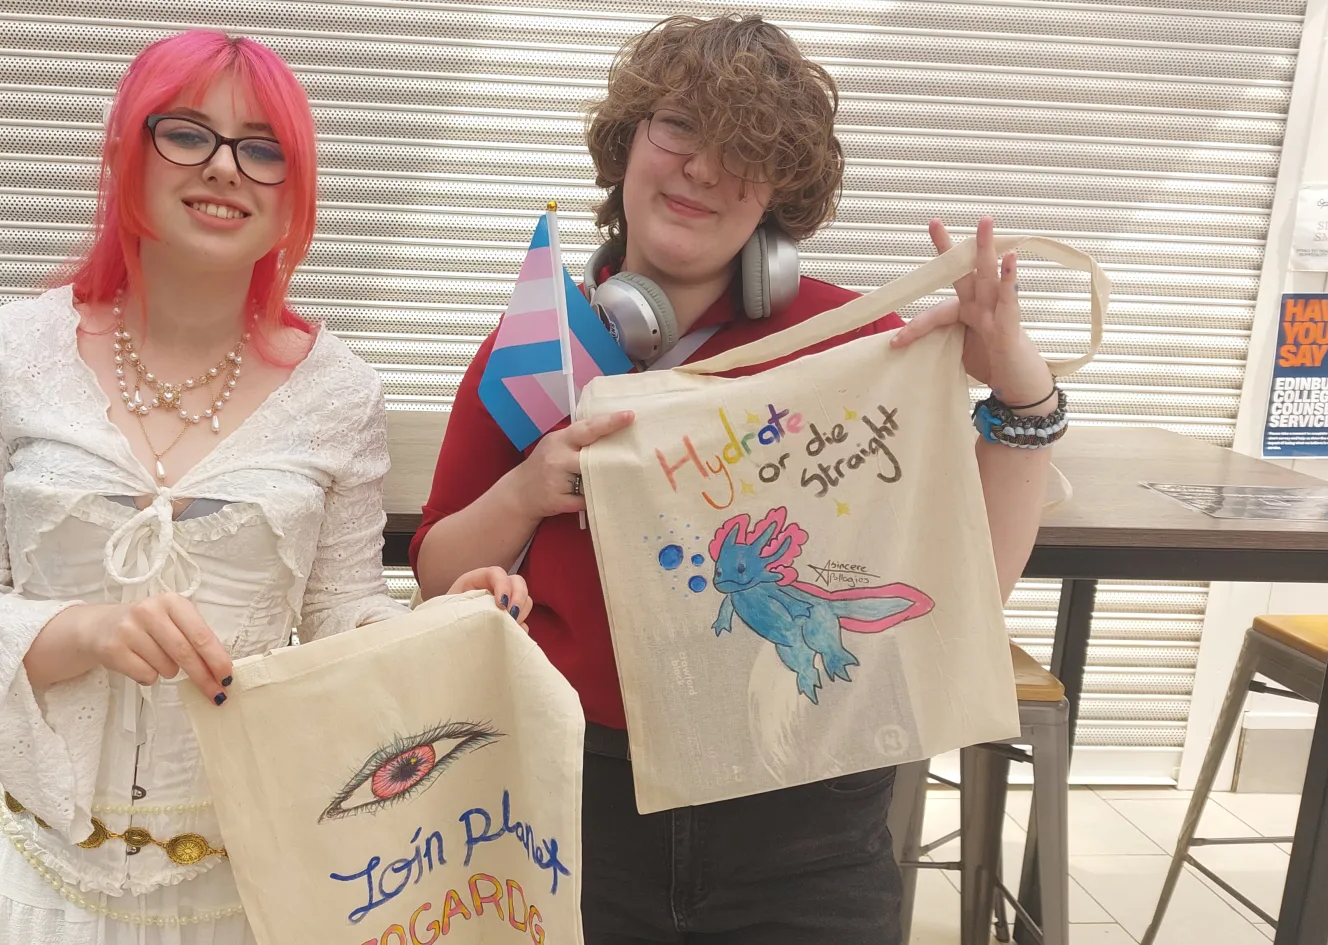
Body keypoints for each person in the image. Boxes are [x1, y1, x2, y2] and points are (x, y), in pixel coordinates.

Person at [411, 14, 1061, 944]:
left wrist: (1020, 386)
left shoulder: (854, 345)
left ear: (780, 196)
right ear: (626, 143)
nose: (703, 170)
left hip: (806, 818)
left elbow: (966, 589)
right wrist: (526, 488)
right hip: (571, 804)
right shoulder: (536, 351)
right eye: (677, 127)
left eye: (745, 151)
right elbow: (437, 576)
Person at [0, 31, 526, 943]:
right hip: (39, 873)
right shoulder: (6, 354)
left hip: (250, 877)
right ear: (126, 153)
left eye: (263, 149)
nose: (226, 168)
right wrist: (86, 628)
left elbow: (343, 611)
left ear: (293, 198)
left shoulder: (340, 392)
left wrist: (435, 629)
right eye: (188, 133)